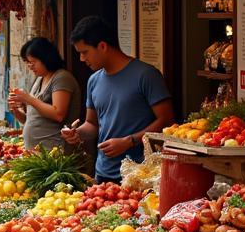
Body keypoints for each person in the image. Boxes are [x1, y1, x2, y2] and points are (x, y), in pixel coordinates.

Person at [61, 16, 174, 182]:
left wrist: (130, 141)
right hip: (102, 173)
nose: (82, 59)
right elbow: (92, 124)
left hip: (141, 176)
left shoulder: (146, 75)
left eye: (84, 52)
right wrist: (76, 133)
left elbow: (167, 120)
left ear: (102, 46)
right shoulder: (93, 80)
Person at [9, 37, 82, 152]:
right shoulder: (39, 80)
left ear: (46, 59)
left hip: (55, 151)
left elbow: (58, 114)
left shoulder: (61, 77)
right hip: (37, 153)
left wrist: (28, 99)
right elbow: (32, 120)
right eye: (27, 62)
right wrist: (15, 111)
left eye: (33, 62)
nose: (30, 66)